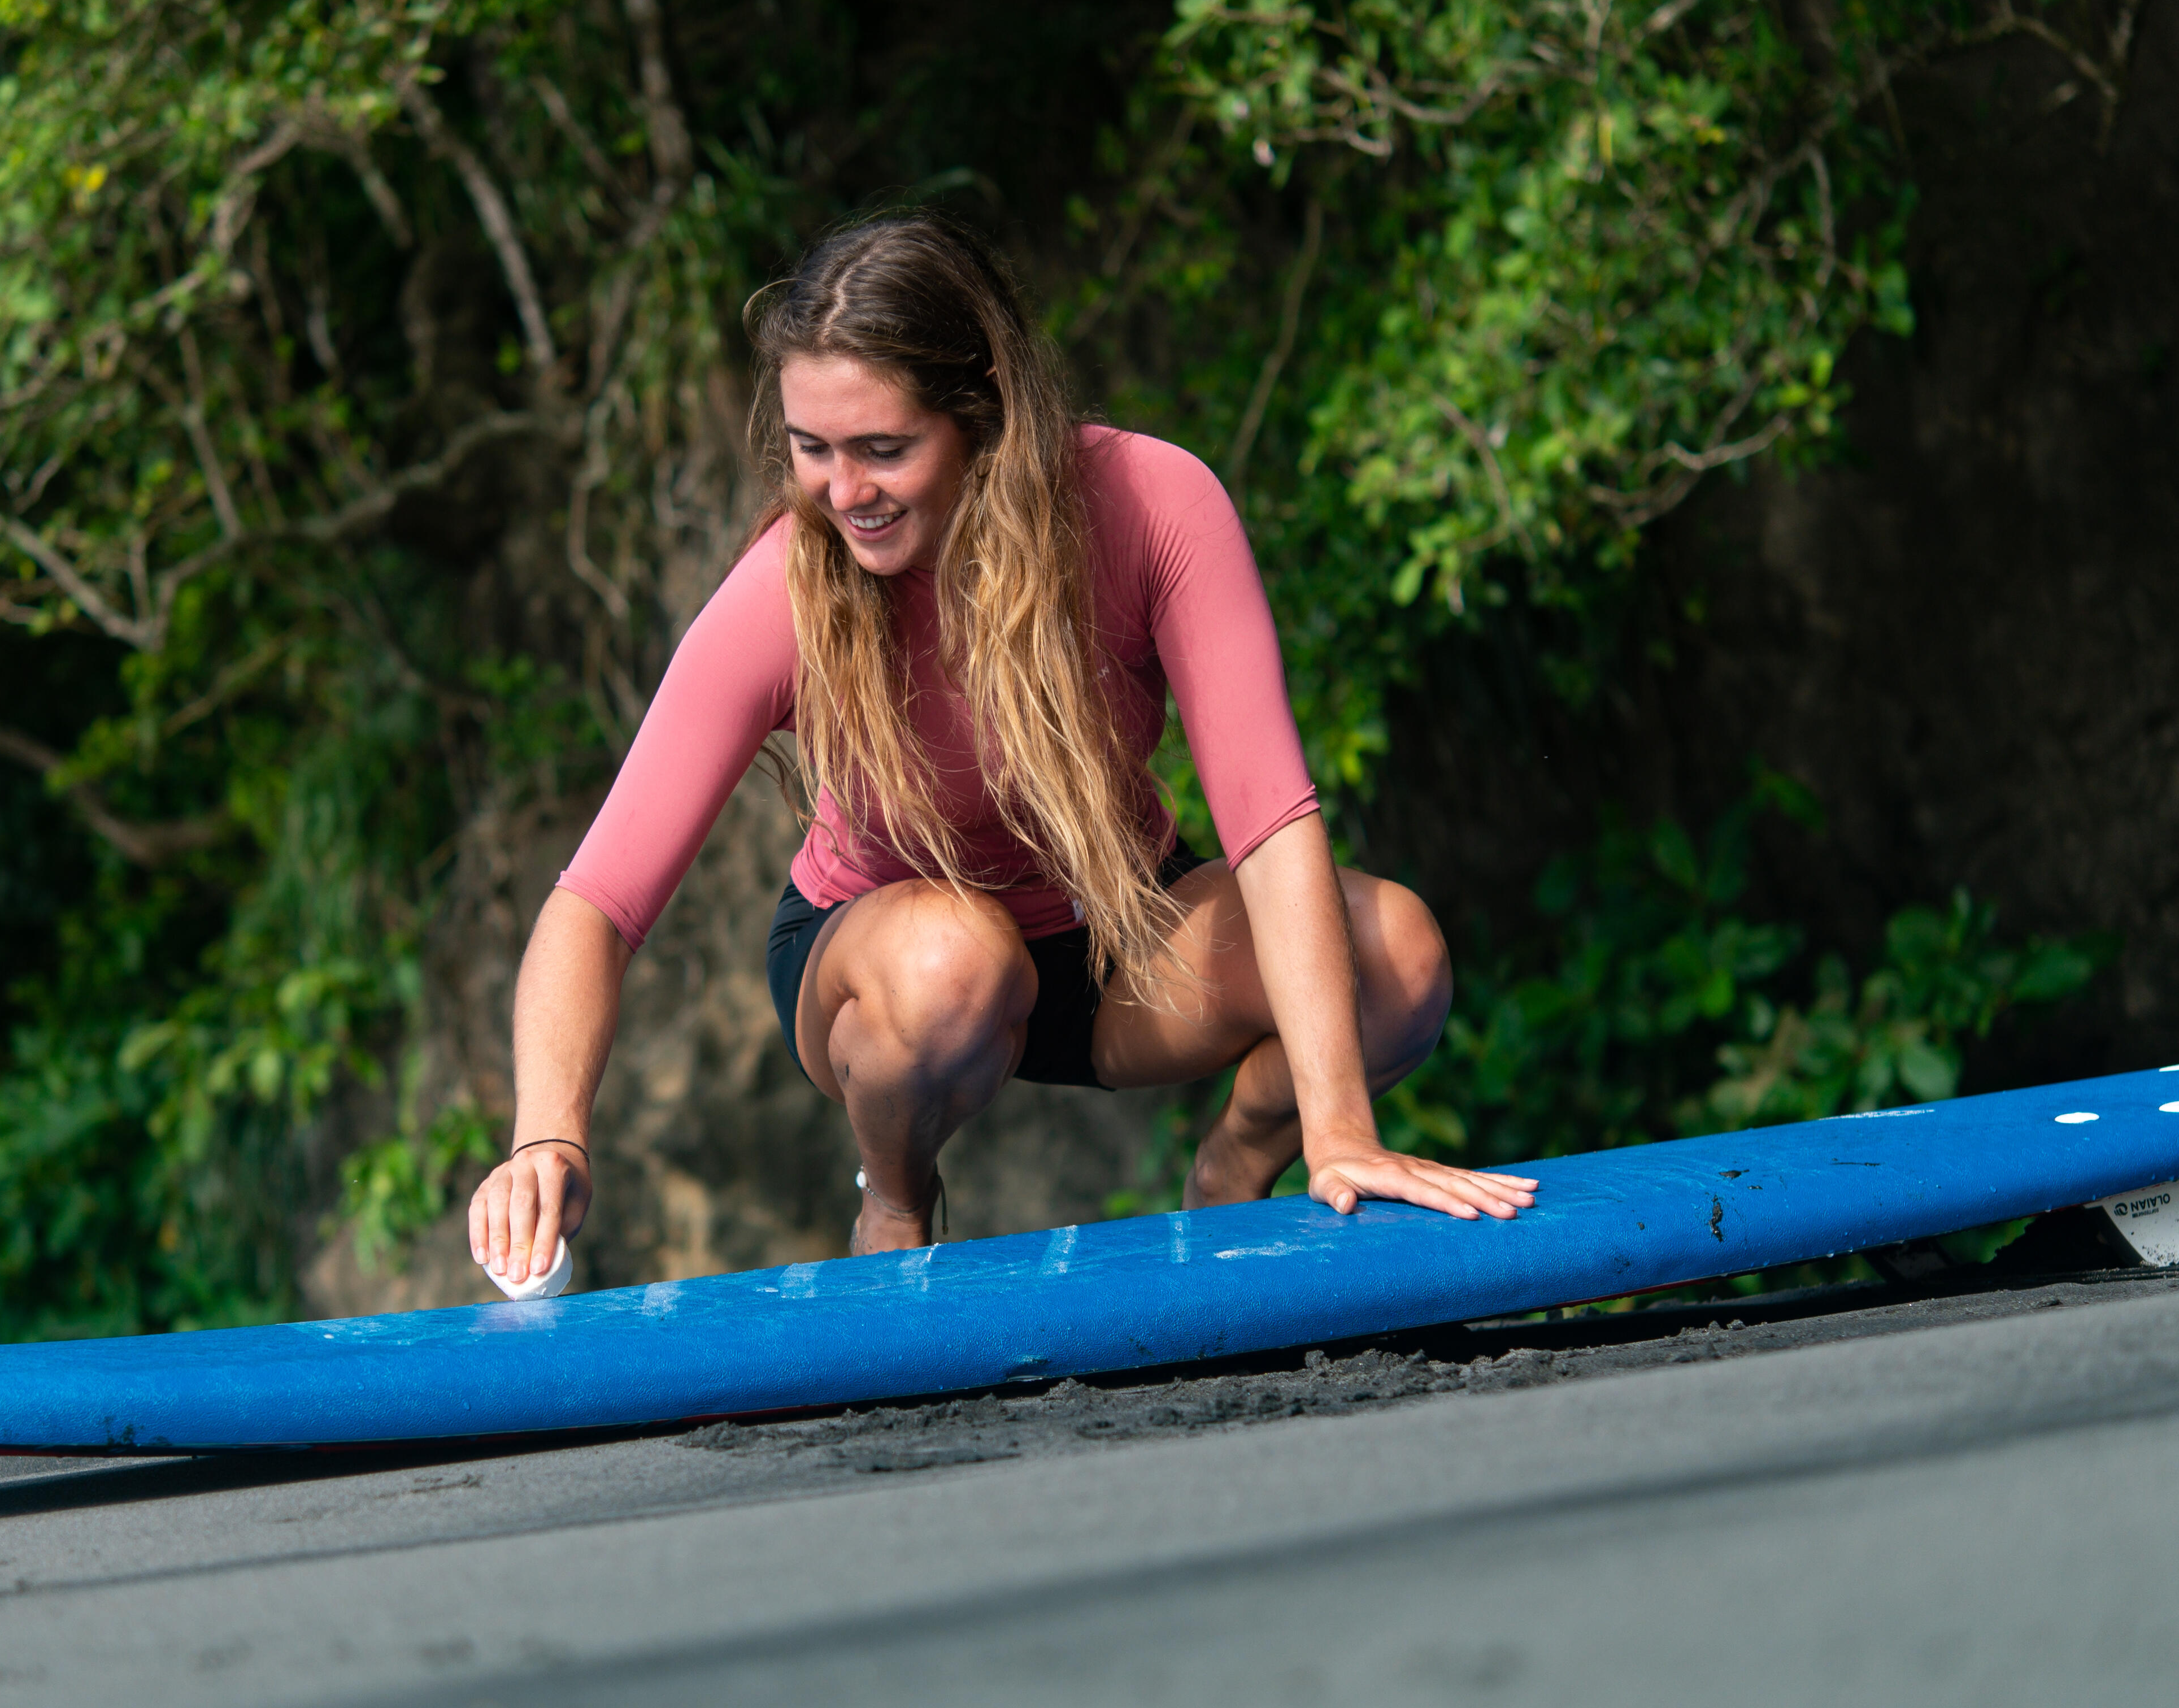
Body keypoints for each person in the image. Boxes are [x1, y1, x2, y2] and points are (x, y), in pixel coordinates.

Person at [468, 212, 1535, 1290]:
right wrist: (545, 1136)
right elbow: (596, 903)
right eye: (812, 451)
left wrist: (1337, 1127)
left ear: (987, 411)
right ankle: (894, 1196)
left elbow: (1270, 823)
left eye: (886, 450)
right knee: (953, 957)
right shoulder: (788, 589)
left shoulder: (1153, 504)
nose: (843, 493)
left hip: (1114, 926)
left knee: (1397, 957)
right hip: (894, 982)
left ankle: (1233, 1170)